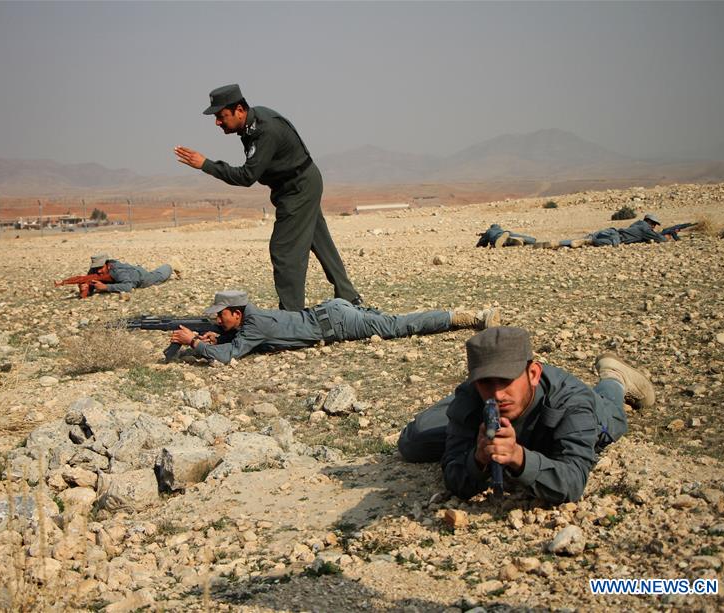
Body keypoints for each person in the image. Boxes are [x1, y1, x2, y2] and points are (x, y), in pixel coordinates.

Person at [397, 326, 655, 503]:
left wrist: (519, 458)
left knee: (613, 418)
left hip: (589, 409)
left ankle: (614, 377)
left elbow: (573, 481)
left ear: (533, 374)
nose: (497, 394)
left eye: (506, 380)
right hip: (486, 411)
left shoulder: (571, 402)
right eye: (486, 382)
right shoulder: (473, 396)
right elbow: (455, 478)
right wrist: (477, 459)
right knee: (413, 443)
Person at [173, 84, 361, 312]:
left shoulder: (264, 130)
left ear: (239, 110)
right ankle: (349, 296)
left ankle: (291, 316)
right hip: (297, 184)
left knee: (283, 250)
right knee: (319, 240)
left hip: (298, 187)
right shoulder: (252, 125)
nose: (217, 123)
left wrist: (206, 165)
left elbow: (247, 176)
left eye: (221, 116)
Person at [170, 290, 500, 365]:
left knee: (398, 326)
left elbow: (232, 356)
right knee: (391, 321)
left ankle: (470, 318)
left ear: (238, 313)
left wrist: (195, 343)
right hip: (331, 313)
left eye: (222, 316)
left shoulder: (256, 324)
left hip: (337, 323)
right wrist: (220, 335)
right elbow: (238, 339)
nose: (217, 319)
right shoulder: (251, 321)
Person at [55, 254, 177, 298]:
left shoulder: (118, 271)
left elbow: (128, 287)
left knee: (159, 275)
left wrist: (106, 288)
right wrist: (85, 289)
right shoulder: (95, 270)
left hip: (140, 277)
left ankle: (171, 265)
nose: (98, 272)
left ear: (107, 264)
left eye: (100, 268)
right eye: (96, 268)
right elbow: (88, 281)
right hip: (129, 274)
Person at [535, 214, 668, 249]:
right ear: (650, 222)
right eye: (654, 224)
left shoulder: (637, 223)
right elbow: (661, 239)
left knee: (585, 237)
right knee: (594, 242)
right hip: (616, 237)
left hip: (611, 230)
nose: (654, 227)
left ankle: (557, 243)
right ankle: (587, 241)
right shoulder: (645, 228)